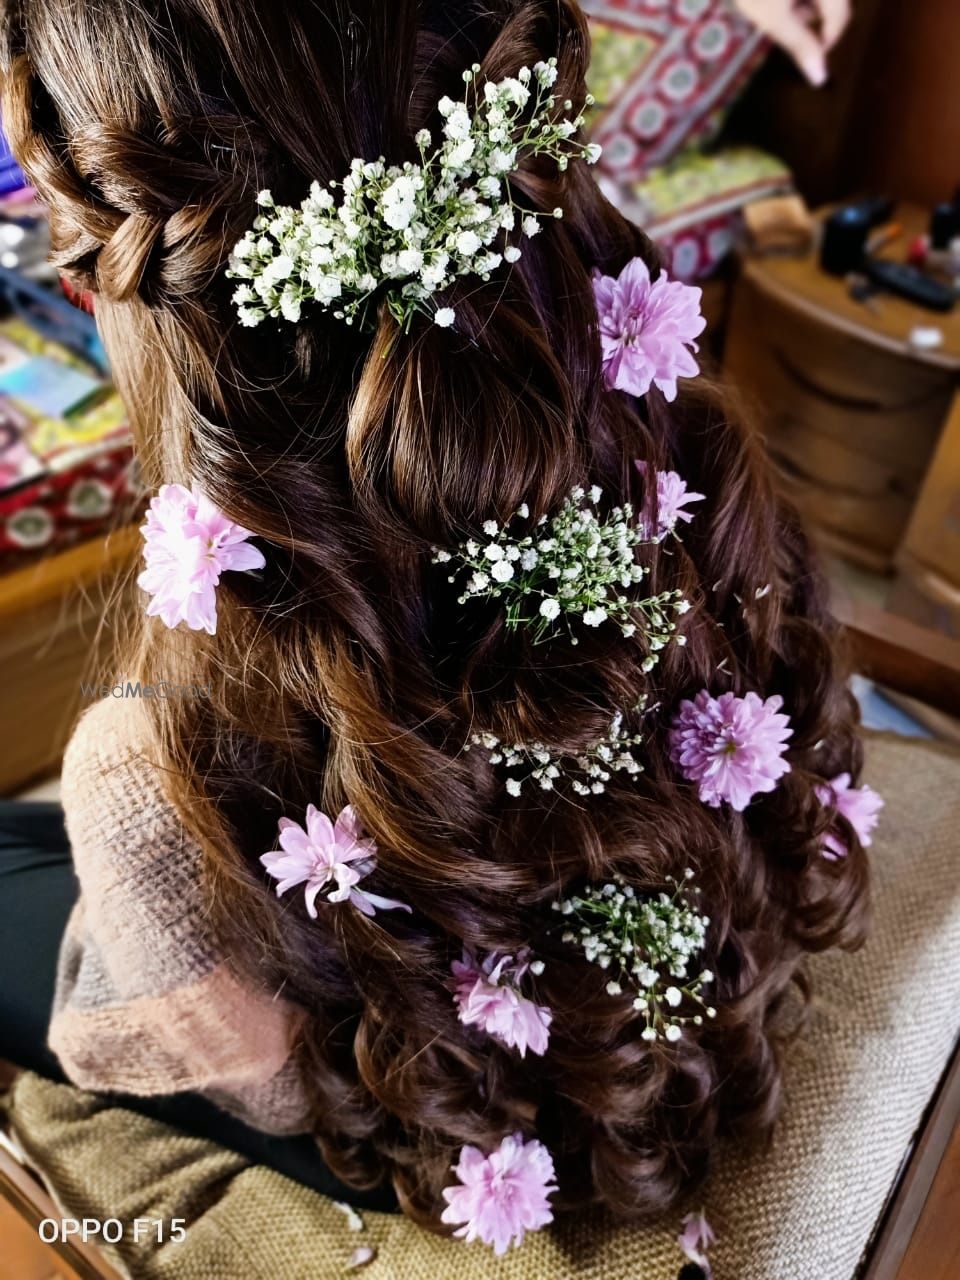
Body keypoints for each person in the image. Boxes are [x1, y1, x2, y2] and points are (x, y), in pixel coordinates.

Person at [0, 0, 877, 1255]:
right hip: (541, 962)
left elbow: (268, 1071)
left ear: (117, 285)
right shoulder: (672, 463)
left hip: (421, 1098)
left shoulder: (152, 762)